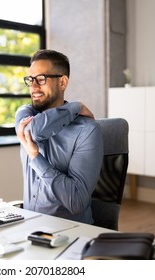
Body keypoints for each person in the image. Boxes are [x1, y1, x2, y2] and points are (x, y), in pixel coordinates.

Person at [15, 49, 103, 224]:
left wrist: (35, 157)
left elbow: (76, 202)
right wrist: (75, 107)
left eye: (41, 79)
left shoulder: (87, 130)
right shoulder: (25, 114)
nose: (33, 87)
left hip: (70, 233)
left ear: (62, 82)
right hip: (29, 226)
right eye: (30, 80)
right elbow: (34, 132)